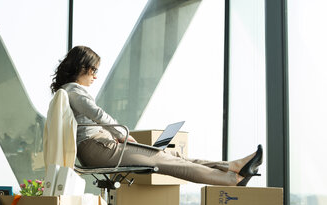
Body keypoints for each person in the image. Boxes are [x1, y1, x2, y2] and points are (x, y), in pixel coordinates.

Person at [50, 45, 262, 186]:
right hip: (97, 148)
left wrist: (115, 135)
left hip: (99, 146)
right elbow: (99, 115)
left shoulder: (68, 91)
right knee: (166, 161)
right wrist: (123, 134)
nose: (96, 76)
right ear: (82, 67)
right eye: (94, 70)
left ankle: (232, 166)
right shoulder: (74, 91)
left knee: (174, 157)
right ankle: (230, 179)